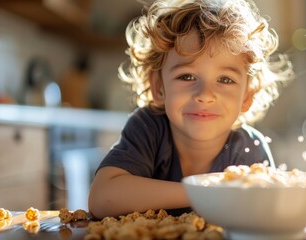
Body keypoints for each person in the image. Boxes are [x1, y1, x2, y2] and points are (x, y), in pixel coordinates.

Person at [88, 0, 294, 219]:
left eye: (225, 79)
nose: (204, 95)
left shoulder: (247, 149)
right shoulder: (149, 128)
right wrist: (205, 191)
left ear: (247, 96)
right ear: (159, 87)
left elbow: (265, 217)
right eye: (187, 76)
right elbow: (102, 199)